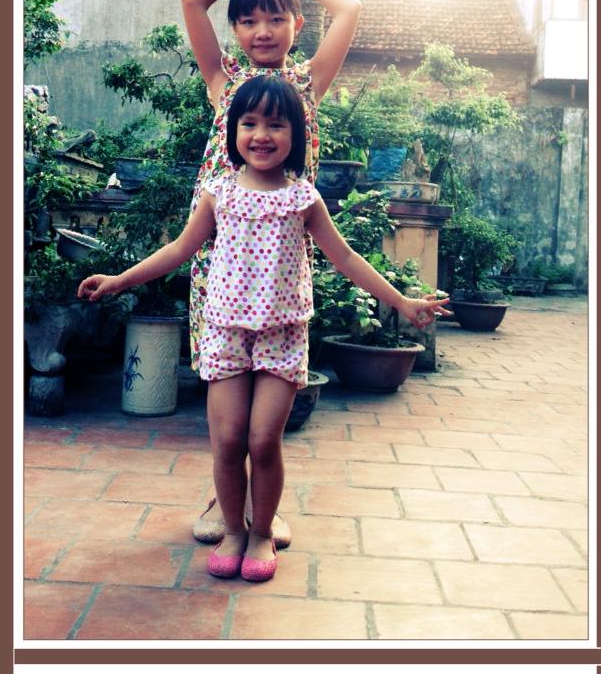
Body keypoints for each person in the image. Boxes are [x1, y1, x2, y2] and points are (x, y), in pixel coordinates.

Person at [78, 76, 451, 583]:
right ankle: (233, 529)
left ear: (295, 135)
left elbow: (343, 257)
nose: (261, 134)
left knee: (263, 441)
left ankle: (260, 534)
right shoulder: (218, 194)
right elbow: (178, 251)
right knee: (228, 441)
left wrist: (402, 301)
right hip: (225, 333)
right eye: (250, 123)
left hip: (282, 337)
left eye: (276, 124)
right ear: (233, 132)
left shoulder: (304, 199)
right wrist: (120, 280)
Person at [180, 0, 361, 546]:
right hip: (218, 263)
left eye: (276, 16)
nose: (262, 30)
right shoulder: (222, 81)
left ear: (295, 25)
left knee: (267, 420)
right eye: (250, 18)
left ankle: (268, 509)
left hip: (282, 264)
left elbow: (350, 8)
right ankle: (223, 504)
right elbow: (191, 0)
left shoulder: (306, 84)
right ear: (235, 28)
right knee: (228, 416)